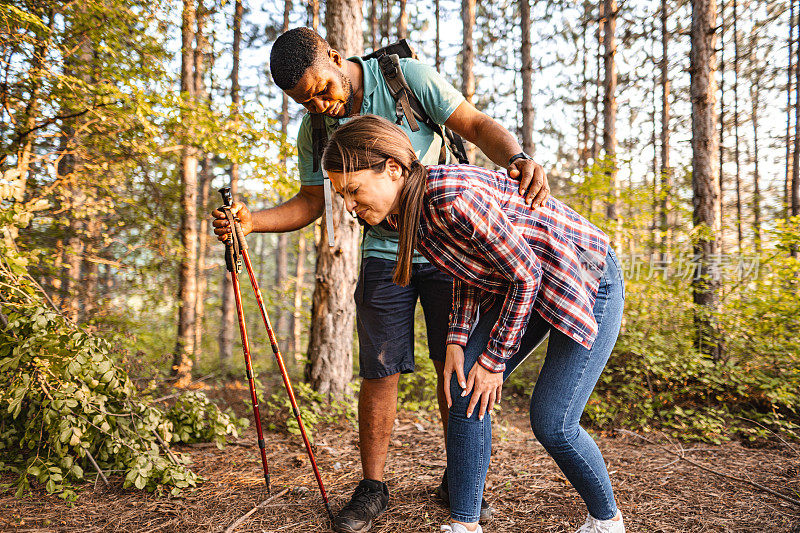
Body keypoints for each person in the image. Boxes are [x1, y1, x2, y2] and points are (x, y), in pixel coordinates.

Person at [213, 27, 550, 533]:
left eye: (322, 89)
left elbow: (476, 125)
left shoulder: (404, 77)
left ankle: (460, 479)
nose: (320, 105)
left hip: (447, 246)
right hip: (382, 257)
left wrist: (518, 158)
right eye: (306, 101)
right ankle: (373, 486)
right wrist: (250, 221)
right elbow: (310, 203)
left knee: (453, 366)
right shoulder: (315, 128)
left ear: (333, 54)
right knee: (380, 369)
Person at [320, 115, 626, 533]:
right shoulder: (406, 214)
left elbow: (527, 275)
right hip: (526, 285)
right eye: (343, 196)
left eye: (353, 191)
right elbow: (470, 270)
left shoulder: (450, 196)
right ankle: (465, 525)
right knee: (463, 388)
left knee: (553, 422)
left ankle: (607, 522)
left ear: (392, 168)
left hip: (586, 279)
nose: (350, 206)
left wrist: (494, 360)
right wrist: (456, 341)